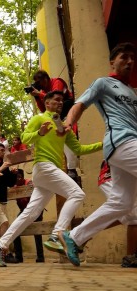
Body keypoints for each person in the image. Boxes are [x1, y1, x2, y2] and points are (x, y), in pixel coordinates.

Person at [0, 90, 102, 267]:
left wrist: (104, 144)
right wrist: (39, 134)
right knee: (77, 194)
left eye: (62, 101)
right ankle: (57, 234)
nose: (60, 103)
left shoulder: (64, 128)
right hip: (43, 167)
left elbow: (79, 150)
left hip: (48, 174)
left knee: (30, 213)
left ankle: (0, 244)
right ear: (47, 103)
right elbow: (25, 137)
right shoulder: (39, 118)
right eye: (56, 100)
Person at [60, 43, 137, 267]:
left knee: (122, 203)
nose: (130, 62)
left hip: (127, 145)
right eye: (124, 57)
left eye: (133, 58)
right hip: (121, 142)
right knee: (124, 204)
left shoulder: (131, 92)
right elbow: (80, 104)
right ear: (112, 61)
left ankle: (73, 237)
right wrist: (68, 123)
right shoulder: (103, 83)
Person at [29, 70, 79, 178]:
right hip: (56, 117)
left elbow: (57, 97)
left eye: (39, 82)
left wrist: (40, 94)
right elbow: (44, 109)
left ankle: (72, 169)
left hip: (67, 110)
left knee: (67, 138)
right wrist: (37, 97)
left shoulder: (57, 81)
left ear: (45, 79)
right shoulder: (43, 92)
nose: (39, 85)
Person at [97, 161, 137, 267]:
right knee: (133, 217)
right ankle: (78, 234)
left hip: (122, 178)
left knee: (131, 217)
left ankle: (131, 258)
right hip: (111, 178)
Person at [12, 169, 45, 263]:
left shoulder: (28, 182)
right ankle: (18, 256)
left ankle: (40, 256)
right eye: (16, 177)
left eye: (19, 176)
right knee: (14, 228)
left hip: (35, 209)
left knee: (37, 231)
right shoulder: (14, 186)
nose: (18, 179)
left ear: (22, 177)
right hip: (23, 210)